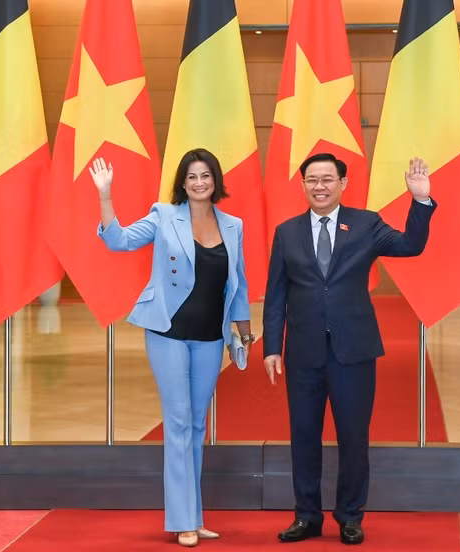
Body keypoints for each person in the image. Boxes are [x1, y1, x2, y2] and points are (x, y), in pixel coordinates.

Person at [263, 152, 436, 545]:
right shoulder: (286, 232)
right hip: (303, 353)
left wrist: (420, 201)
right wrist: (273, 346)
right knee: (303, 435)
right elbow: (276, 296)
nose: (319, 186)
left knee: (353, 436)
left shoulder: (365, 224)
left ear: (343, 183)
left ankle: (350, 516)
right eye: (312, 180)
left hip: (353, 351)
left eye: (327, 179)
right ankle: (306, 515)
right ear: (303, 184)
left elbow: (411, 245)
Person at [93, 149, 254, 548]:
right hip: (167, 331)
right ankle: (182, 519)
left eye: (206, 176)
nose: (199, 182)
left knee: (198, 425)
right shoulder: (164, 216)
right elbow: (119, 241)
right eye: (192, 176)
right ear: (182, 182)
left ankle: (194, 517)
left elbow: (239, 282)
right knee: (179, 421)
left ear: (216, 180)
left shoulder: (233, 225)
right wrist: (106, 196)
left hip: (211, 336)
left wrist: (245, 332)